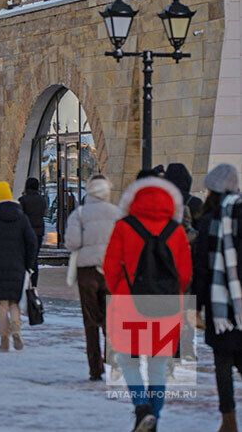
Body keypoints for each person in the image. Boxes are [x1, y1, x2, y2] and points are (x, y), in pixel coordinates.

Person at [104, 172, 192, 431]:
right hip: (165, 306)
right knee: (157, 366)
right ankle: (154, 417)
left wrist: (119, 290)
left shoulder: (124, 227)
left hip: (128, 304)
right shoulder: (175, 231)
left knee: (128, 361)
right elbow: (184, 273)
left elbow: (111, 268)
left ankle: (142, 408)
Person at [193, 164, 242, 432]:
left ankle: (229, 420)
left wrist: (197, 305)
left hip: (218, 303)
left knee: (223, 362)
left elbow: (201, 266)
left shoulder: (209, 220)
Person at [65, 174, 121, 381]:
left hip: (87, 271)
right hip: (111, 271)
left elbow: (72, 243)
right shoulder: (117, 214)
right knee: (112, 319)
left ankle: (95, 368)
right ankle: (114, 360)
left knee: (90, 321)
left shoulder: (79, 214)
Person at [0, 181, 37, 352]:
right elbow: (32, 241)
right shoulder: (21, 217)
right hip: (18, 264)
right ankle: (16, 330)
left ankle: (4, 340)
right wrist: (28, 262)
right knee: (14, 302)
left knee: (1, 303)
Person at [19, 178, 48, 287]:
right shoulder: (42, 200)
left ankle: (24, 282)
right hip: (38, 232)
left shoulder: (23, 200)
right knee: (34, 258)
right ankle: (34, 283)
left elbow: (20, 216)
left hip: (25, 233)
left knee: (24, 257)